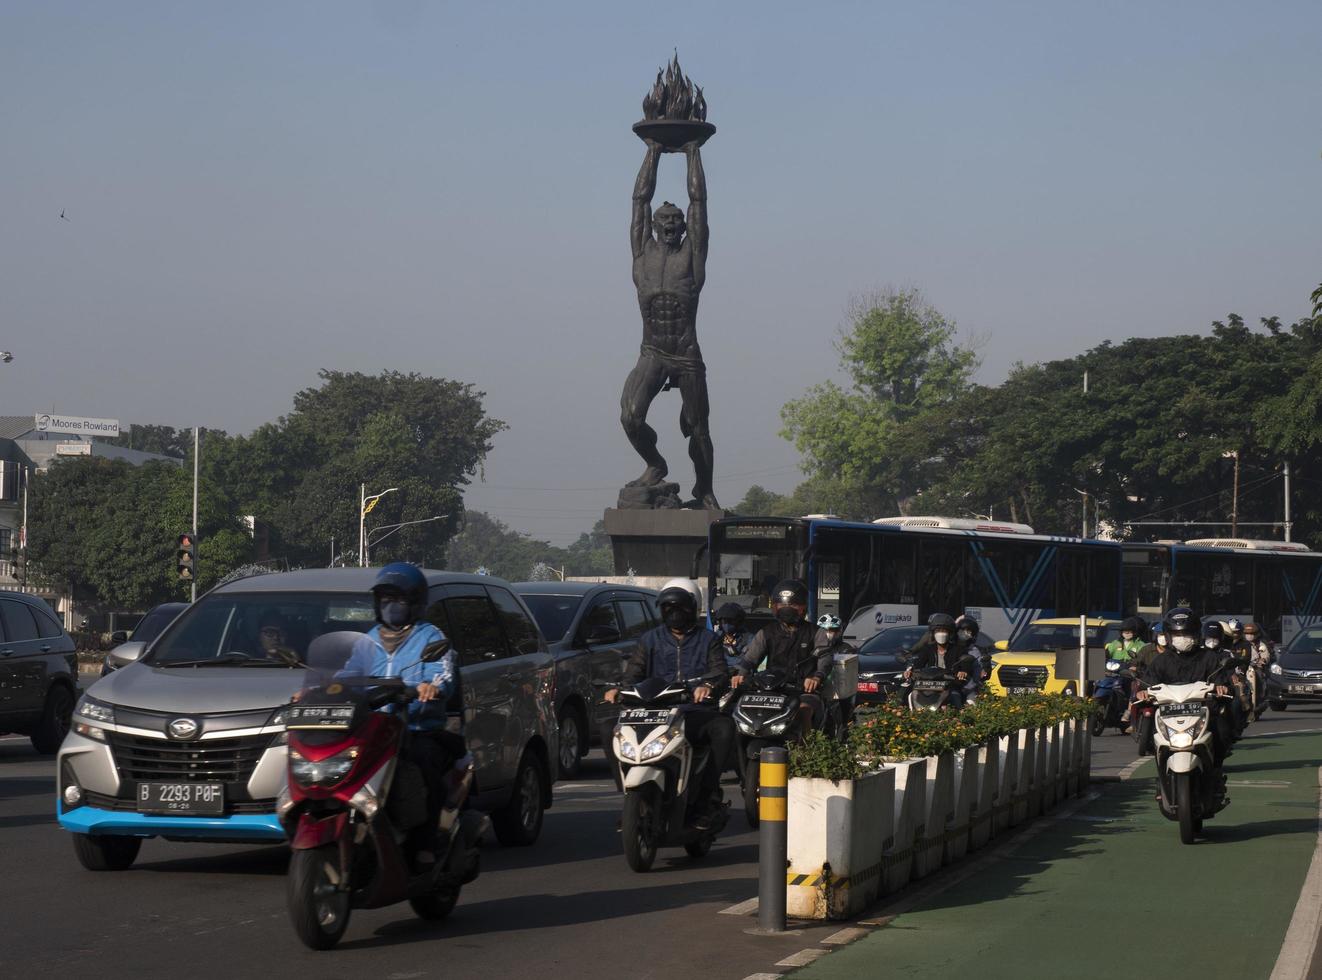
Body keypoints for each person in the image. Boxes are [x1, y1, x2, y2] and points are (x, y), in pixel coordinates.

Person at [337, 562, 457, 869]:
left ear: (415, 603)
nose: (390, 606)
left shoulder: (430, 636)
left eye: (398, 600)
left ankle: (425, 843)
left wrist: (431, 687)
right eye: (385, 599)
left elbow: (443, 672)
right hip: (374, 729)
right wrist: (322, 689)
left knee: (423, 766)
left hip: (417, 728)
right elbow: (348, 674)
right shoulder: (368, 640)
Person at [605, 578, 732, 829]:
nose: (674, 613)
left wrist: (707, 687)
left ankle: (704, 802)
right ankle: (631, 797)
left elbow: (719, 672)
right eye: (668, 608)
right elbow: (633, 674)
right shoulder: (649, 640)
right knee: (608, 728)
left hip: (692, 713)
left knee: (724, 728)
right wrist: (618, 689)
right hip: (652, 713)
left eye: (680, 607)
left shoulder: (709, 640)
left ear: (693, 608)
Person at [732, 580, 833, 733]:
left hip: (804, 691)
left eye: (793, 605)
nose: (787, 609)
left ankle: (805, 753)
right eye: (782, 605)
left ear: (803, 607)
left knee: (803, 711)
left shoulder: (816, 632)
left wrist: (816, 677)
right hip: (771, 690)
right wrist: (740, 674)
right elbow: (750, 658)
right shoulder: (766, 632)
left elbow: (825, 656)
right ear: (774, 607)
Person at [1141, 608, 1233, 765]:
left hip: (1203, 711)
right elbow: (1149, 682)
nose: (1181, 638)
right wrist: (1142, 693)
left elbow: (1221, 678)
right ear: (1169, 637)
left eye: (1186, 634)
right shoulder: (1160, 661)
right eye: (1177, 635)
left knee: (1222, 731)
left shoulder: (1209, 657)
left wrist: (1221, 687)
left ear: (1196, 635)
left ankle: (1215, 773)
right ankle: (1161, 778)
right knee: (1150, 734)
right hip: (1168, 713)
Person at [904, 613, 978, 708]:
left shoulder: (958, 649)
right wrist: (910, 671)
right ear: (933, 633)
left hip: (950, 687)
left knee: (956, 698)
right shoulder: (928, 649)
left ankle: (959, 721)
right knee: (911, 696)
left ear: (950, 633)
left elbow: (965, 662)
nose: (941, 633)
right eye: (938, 631)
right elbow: (918, 663)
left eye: (944, 631)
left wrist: (963, 671)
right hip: (928, 686)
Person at [714, 601, 754, 671]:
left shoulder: (749, 638)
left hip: (740, 675)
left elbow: (751, 661)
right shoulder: (716, 637)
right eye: (724, 621)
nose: (727, 624)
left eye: (730, 621)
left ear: (739, 621)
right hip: (720, 674)